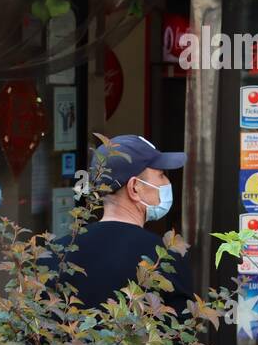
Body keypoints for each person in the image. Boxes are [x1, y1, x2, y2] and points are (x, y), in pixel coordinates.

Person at [63, 134, 193, 317]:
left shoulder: (59, 251)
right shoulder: (163, 255)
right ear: (134, 188)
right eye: (161, 175)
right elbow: (180, 336)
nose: (167, 182)